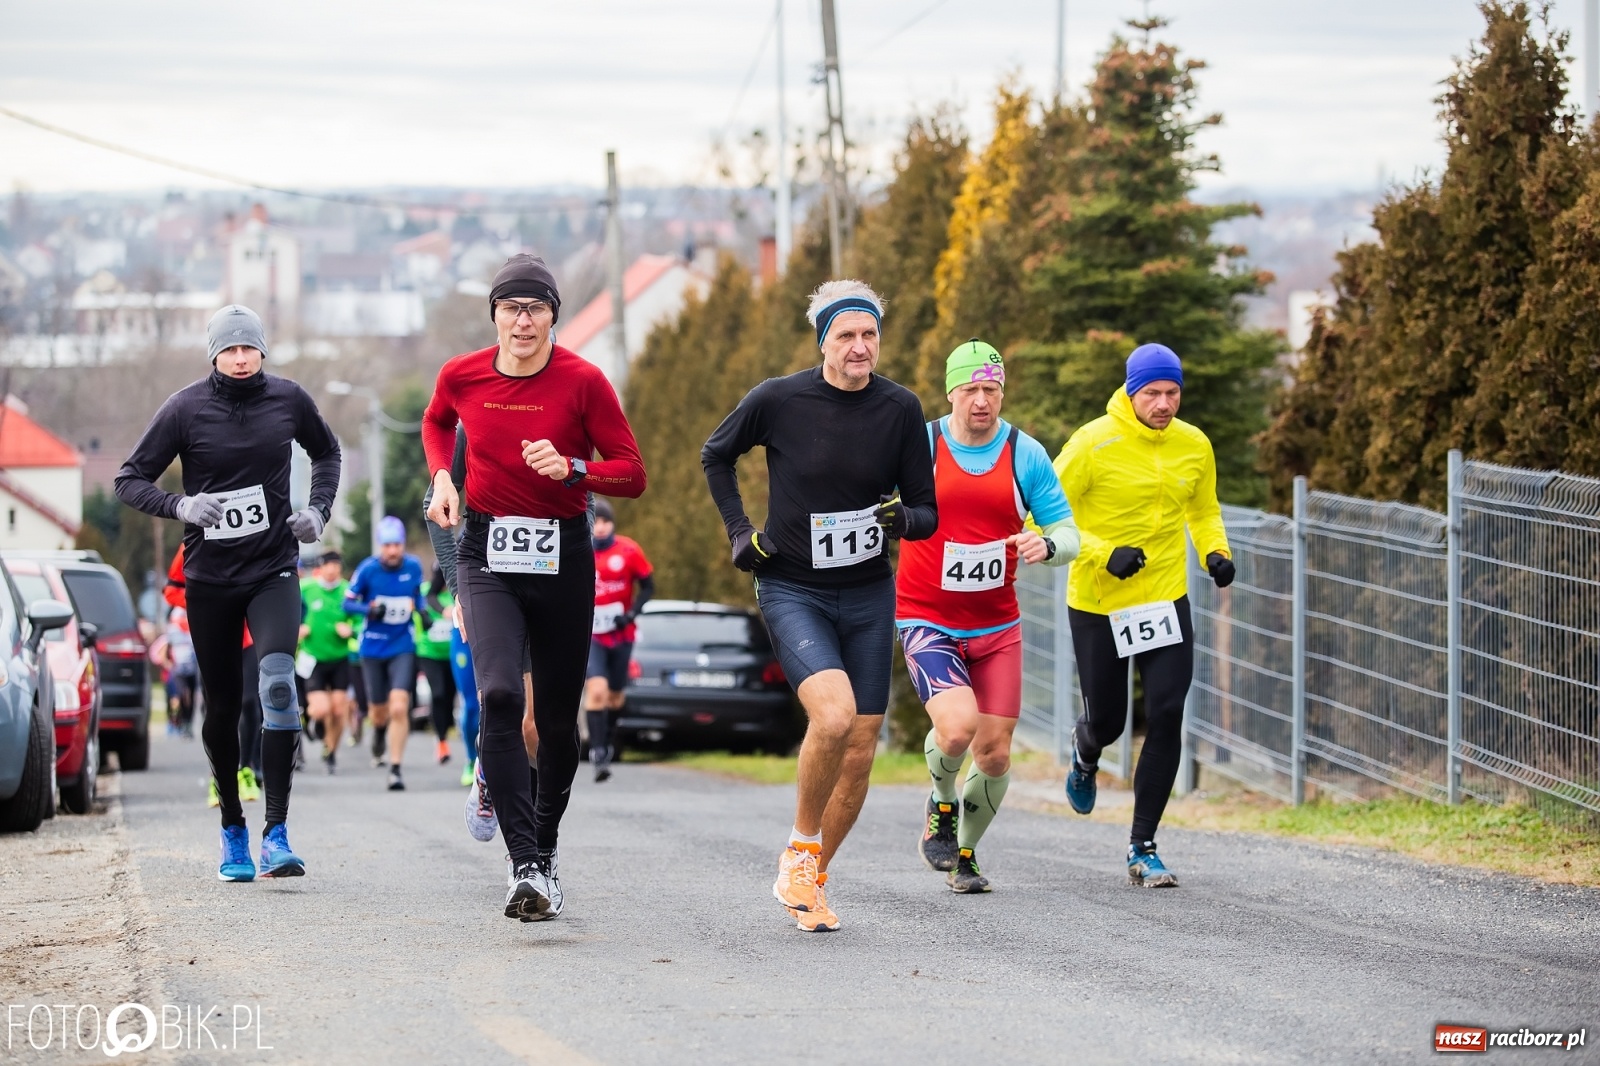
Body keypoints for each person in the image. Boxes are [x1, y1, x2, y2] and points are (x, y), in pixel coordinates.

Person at [701, 279, 937, 932]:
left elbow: (927, 511)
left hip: (867, 591)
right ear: (823, 343)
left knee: (860, 747)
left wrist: (902, 519)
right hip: (793, 586)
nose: (860, 346)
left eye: (869, 334)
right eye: (846, 335)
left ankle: (810, 880)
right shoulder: (779, 399)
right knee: (833, 717)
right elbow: (716, 456)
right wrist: (739, 532)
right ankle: (801, 847)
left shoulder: (900, 408)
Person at [423, 253, 646, 922]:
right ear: (494, 315)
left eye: (536, 308)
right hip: (486, 552)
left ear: (553, 316)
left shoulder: (583, 381)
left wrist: (574, 468)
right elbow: (436, 422)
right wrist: (443, 478)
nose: (523, 321)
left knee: (553, 722)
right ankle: (522, 863)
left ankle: (545, 849)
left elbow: (632, 473)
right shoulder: (462, 375)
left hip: (562, 556)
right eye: (512, 308)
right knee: (497, 695)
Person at [115, 304, 339, 881]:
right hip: (210, 579)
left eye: (249, 348)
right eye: (229, 349)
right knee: (220, 708)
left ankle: (276, 833)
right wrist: (180, 505)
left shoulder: (289, 399)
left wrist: (318, 510)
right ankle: (233, 828)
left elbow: (327, 452)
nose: (240, 358)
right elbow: (128, 479)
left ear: (262, 350)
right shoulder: (184, 408)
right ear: (214, 354)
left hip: (273, 569)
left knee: (278, 685)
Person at [896, 340, 1079, 893]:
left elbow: (1068, 531)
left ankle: (965, 855)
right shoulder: (920, 444)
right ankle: (941, 802)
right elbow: (870, 498)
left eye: (992, 389)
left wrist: (1048, 545)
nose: (982, 400)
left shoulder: (1025, 453)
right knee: (956, 731)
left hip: (997, 627)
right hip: (926, 617)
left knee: (995, 754)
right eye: (971, 389)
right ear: (951, 391)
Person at [1054, 343, 1234, 888]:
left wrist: (1215, 552)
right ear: (1130, 393)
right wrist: (1103, 552)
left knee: (1168, 710)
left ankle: (1143, 846)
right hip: (1100, 602)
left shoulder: (1194, 444)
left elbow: (1203, 508)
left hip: (1164, 598)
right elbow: (1044, 515)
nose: (1163, 404)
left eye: (1172, 393)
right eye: (1152, 393)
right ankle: (1085, 751)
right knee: (1109, 723)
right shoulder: (1092, 443)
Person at [344, 517, 428, 792]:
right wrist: (369, 609)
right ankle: (379, 731)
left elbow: (417, 595)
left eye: (397, 545)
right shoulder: (368, 569)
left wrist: (423, 611)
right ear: (380, 545)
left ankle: (395, 768)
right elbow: (347, 603)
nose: (393, 551)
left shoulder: (413, 566)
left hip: (402, 645)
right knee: (378, 713)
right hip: (372, 648)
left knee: (399, 706)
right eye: (387, 545)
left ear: (403, 544)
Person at [585, 498, 654, 782]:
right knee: (597, 690)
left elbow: (648, 586)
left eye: (606, 522)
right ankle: (598, 752)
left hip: (621, 634)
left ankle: (608, 738)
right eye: (596, 522)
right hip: (591, 636)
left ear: (612, 524)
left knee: (615, 696)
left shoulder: (628, 550)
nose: (600, 527)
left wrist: (632, 613)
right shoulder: (581, 550)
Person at [299, 550, 354, 773]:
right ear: (320, 568)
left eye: (335, 565)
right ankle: (312, 720)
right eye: (327, 565)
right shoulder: (306, 589)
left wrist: (351, 629)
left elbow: (360, 618)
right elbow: (288, 609)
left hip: (340, 657)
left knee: (339, 711)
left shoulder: (348, 591)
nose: (331, 570)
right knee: (321, 709)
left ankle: (330, 752)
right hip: (313, 658)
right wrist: (299, 627)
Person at [415, 562, 458, 766]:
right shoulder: (424, 592)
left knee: (450, 695)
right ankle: (441, 741)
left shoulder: (457, 592)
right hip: (429, 653)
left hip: (453, 654)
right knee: (438, 693)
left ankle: (446, 728)